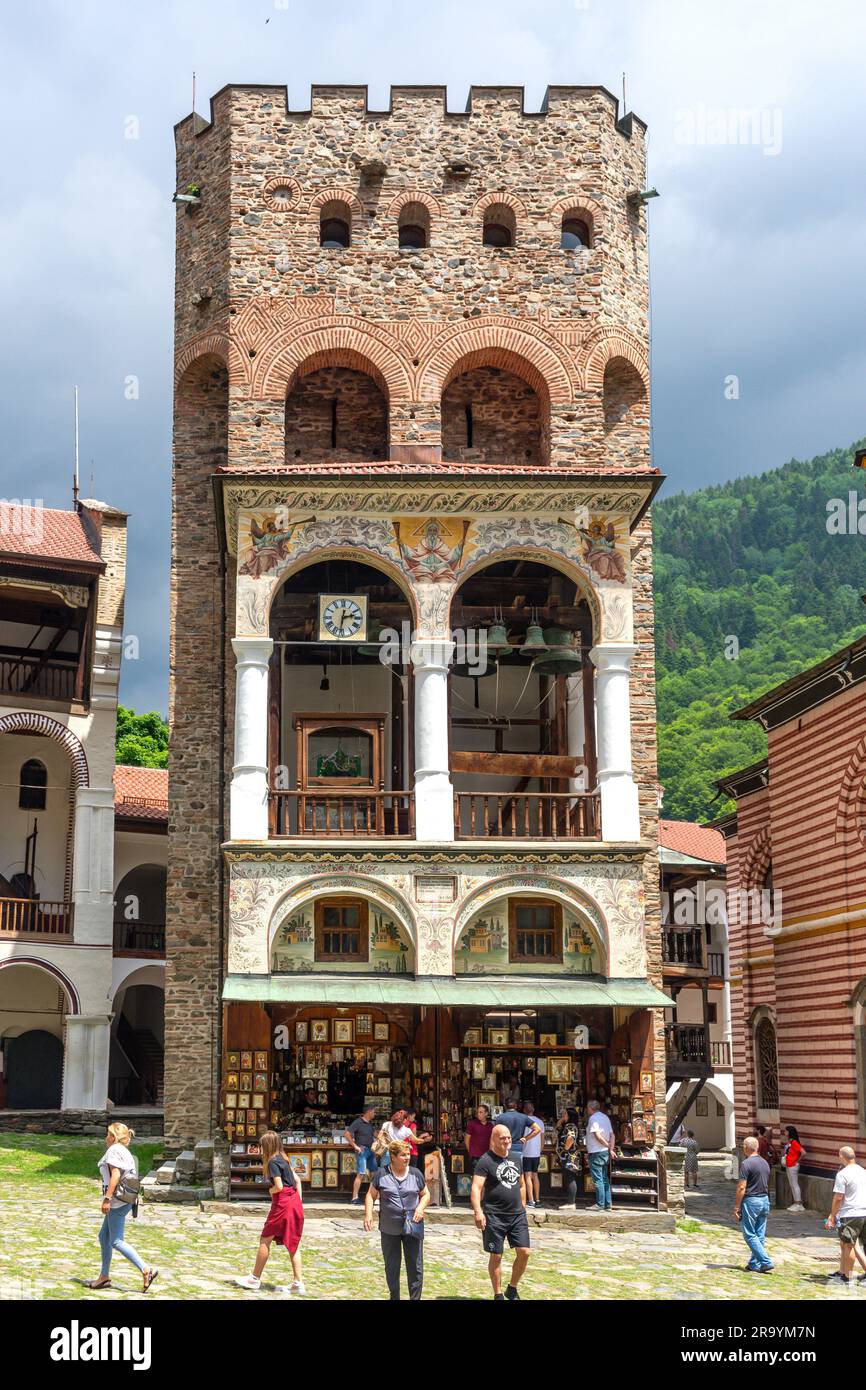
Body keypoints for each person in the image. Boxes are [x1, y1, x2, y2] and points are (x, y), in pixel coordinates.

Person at [86, 1123, 158, 1293]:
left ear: (113, 1136)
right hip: (126, 1198)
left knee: (116, 1241)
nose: (106, 1137)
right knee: (104, 1236)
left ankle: (146, 1269)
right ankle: (104, 1277)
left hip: (118, 1200)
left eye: (108, 1134)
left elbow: (116, 1175)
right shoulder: (124, 1151)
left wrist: (107, 1199)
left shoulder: (114, 1150)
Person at [235, 1131, 305, 1293]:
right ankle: (298, 1283)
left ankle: (254, 1278)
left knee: (265, 1239)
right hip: (294, 1201)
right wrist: (298, 1203)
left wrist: (272, 1191)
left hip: (283, 1203)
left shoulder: (273, 1162)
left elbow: (279, 1186)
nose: (260, 1148)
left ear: (267, 1146)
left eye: (261, 1145)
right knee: (293, 1244)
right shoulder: (285, 1159)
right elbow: (298, 1181)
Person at [471, 1123, 531, 1300]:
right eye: (502, 1137)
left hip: (516, 1215)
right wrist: (478, 1212)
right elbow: (476, 1188)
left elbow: (521, 1185)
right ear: (494, 1139)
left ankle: (512, 1288)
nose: (506, 1140)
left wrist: (523, 1205)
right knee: (496, 1256)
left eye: (508, 1137)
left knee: (525, 1252)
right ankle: (498, 1294)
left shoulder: (515, 1158)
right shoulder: (485, 1160)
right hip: (494, 1215)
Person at [365, 1139, 430, 1300]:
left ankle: (415, 1298)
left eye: (408, 1154)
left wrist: (420, 1208)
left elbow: (426, 1194)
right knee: (392, 1266)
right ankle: (394, 1296)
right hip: (389, 1228)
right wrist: (368, 1214)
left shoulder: (415, 1174)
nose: (407, 1158)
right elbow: (370, 1195)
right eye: (403, 1155)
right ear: (393, 1156)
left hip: (412, 1227)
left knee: (415, 1266)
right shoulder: (382, 1174)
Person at [825, 1145, 866, 1284]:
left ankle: (847, 1277)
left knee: (849, 1245)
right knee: (845, 1243)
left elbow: (838, 1197)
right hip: (864, 1212)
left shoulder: (843, 1174)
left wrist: (832, 1215)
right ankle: (842, 1271)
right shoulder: (863, 1171)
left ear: (841, 1157)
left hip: (850, 1213)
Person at [733, 1135, 773, 1273]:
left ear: (745, 1148)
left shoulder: (746, 1164)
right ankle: (754, 1263)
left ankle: (765, 1261)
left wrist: (737, 1206)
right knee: (759, 1234)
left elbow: (742, 1187)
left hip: (752, 1201)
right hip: (764, 1200)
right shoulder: (764, 1162)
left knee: (749, 1234)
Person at [344, 1104, 378, 1205]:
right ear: (369, 1111)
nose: (374, 1114)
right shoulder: (358, 1122)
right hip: (362, 1150)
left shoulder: (369, 1124)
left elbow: (375, 1134)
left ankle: (373, 1195)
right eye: (374, 1112)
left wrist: (383, 1133)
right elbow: (346, 1134)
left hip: (371, 1150)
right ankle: (354, 1197)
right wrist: (355, 1146)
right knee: (361, 1173)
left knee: (374, 1174)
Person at [585, 1099, 614, 1212]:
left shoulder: (593, 1118)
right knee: (604, 1178)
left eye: (587, 1108)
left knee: (598, 1179)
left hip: (596, 1151)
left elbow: (597, 1135)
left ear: (590, 1108)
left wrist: (607, 1145)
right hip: (604, 1152)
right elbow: (612, 1135)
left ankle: (600, 1204)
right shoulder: (605, 1117)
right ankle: (608, 1204)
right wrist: (610, 1148)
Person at [496, 1103, 541, 1176]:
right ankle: (519, 1187)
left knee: (503, 1172)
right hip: (518, 1148)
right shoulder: (523, 1117)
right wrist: (526, 1138)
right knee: (518, 1173)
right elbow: (537, 1129)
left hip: (504, 1148)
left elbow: (495, 1134)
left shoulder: (500, 1118)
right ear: (516, 1106)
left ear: (505, 1106)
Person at [555, 1107, 582, 1210]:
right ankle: (571, 1202)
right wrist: (562, 1119)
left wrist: (565, 1149)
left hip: (569, 1157)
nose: (563, 1115)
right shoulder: (568, 1125)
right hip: (568, 1156)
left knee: (570, 1178)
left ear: (569, 1116)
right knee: (569, 1178)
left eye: (565, 1114)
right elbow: (557, 1127)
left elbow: (570, 1137)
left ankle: (571, 1203)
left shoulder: (570, 1126)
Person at [521, 1102, 544, 1207]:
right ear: (533, 1109)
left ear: (524, 1110)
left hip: (526, 1152)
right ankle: (538, 1200)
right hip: (536, 1153)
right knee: (535, 1176)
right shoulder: (540, 1122)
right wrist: (539, 1151)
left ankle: (531, 1201)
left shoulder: (523, 1121)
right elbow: (542, 1140)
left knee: (527, 1177)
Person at [464, 1104, 494, 1172]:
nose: (478, 1114)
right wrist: (470, 1152)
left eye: (481, 1112)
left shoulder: (490, 1125)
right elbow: (467, 1139)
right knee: (476, 1176)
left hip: (486, 1156)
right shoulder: (472, 1124)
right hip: (475, 1156)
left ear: (486, 1113)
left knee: (486, 1177)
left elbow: (492, 1140)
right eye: (477, 1112)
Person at [782, 1125, 805, 1211]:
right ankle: (796, 1202)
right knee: (792, 1184)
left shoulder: (794, 1142)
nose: (784, 1132)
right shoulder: (790, 1142)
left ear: (789, 1132)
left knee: (794, 1184)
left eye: (786, 1131)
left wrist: (797, 1161)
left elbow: (803, 1152)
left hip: (793, 1165)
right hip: (789, 1164)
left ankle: (798, 1203)